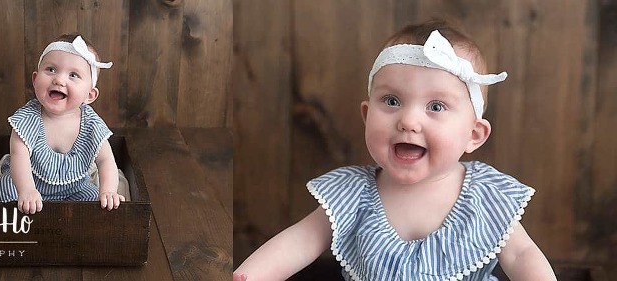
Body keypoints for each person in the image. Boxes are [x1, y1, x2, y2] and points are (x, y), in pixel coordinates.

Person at [234, 20, 556, 280]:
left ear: (474, 134)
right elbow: (298, 242)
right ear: (366, 115)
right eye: (391, 101)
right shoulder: (352, 194)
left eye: (436, 106)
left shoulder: (486, 197)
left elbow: (521, 254)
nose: (409, 120)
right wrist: (251, 275)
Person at [0, 34, 125, 214]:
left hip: (75, 189)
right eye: (51, 70)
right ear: (35, 79)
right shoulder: (27, 119)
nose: (59, 80)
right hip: (31, 183)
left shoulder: (91, 124)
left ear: (89, 95)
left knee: (96, 201)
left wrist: (108, 190)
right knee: (6, 189)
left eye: (73, 75)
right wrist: (27, 190)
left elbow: (105, 160)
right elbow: (19, 156)